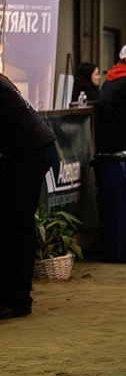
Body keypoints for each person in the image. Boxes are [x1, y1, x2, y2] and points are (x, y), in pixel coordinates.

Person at [0, 72, 57, 320]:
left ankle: (18, 300)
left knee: (17, 223)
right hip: (29, 151)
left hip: (28, 153)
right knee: (14, 223)